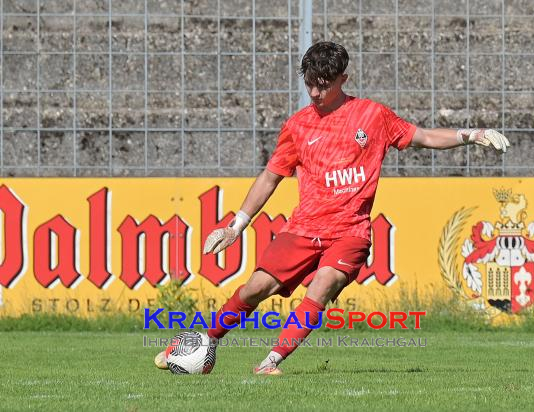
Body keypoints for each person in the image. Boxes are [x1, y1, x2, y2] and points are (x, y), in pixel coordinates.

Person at [155, 41, 510, 374]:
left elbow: (425, 137)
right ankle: (202, 343)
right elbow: (270, 177)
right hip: (302, 229)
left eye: (323, 85)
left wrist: (470, 134)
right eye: (309, 84)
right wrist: (237, 225)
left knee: (324, 284)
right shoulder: (297, 125)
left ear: (344, 79)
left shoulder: (372, 115)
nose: (314, 93)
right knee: (253, 289)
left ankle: (270, 362)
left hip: (350, 232)